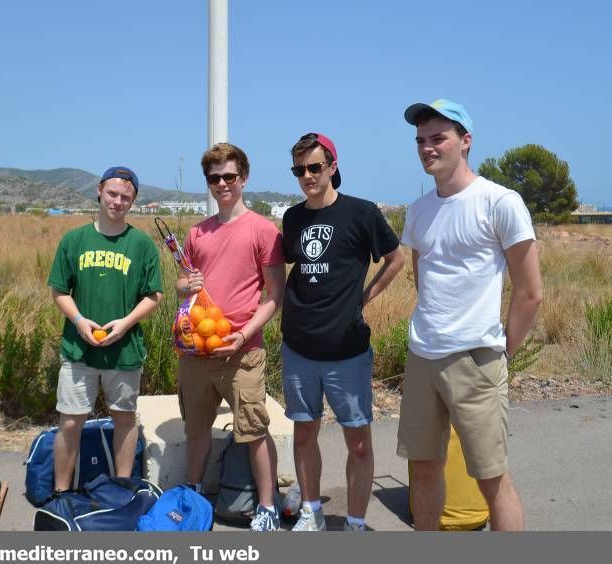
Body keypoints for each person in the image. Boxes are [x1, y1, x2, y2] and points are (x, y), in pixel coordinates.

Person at [397, 99, 543, 531]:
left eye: (437, 137)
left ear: (465, 141)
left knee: (491, 479)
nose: (427, 147)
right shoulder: (419, 210)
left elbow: (530, 292)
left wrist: (501, 352)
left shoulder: (500, 202)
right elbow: (423, 273)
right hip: (422, 356)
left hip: (476, 357)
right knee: (424, 470)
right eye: (421, 140)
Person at [281, 133, 404, 531]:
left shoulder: (362, 213)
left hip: (348, 350)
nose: (307, 176)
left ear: (333, 166)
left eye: (315, 167)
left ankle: (354, 522)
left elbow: (395, 258)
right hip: (299, 345)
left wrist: (365, 296)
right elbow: (285, 266)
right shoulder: (293, 218)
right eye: (299, 170)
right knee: (304, 433)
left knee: (359, 441)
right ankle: (312, 511)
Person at [177, 142, 286, 532]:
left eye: (229, 176)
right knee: (195, 430)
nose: (221, 183)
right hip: (196, 354)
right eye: (214, 178)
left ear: (243, 178)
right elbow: (181, 288)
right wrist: (185, 287)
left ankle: (268, 506)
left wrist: (242, 335)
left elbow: (275, 295)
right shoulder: (196, 233)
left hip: (242, 352)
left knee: (254, 430)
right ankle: (191, 494)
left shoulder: (263, 230)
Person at [47, 166, 163, 490]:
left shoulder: (141, 244)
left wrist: (126, 324)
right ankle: (61, 493)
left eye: (126, 197)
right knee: (70, 421)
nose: (118, 201)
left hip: (124, 351)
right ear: (99, 191)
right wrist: (79, 321)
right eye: (112, 194)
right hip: (78, 347)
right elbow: (59, 290)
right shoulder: (75, 240)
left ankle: (122, 489)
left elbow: (154, 295)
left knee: (124, 420)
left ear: (133, 201)